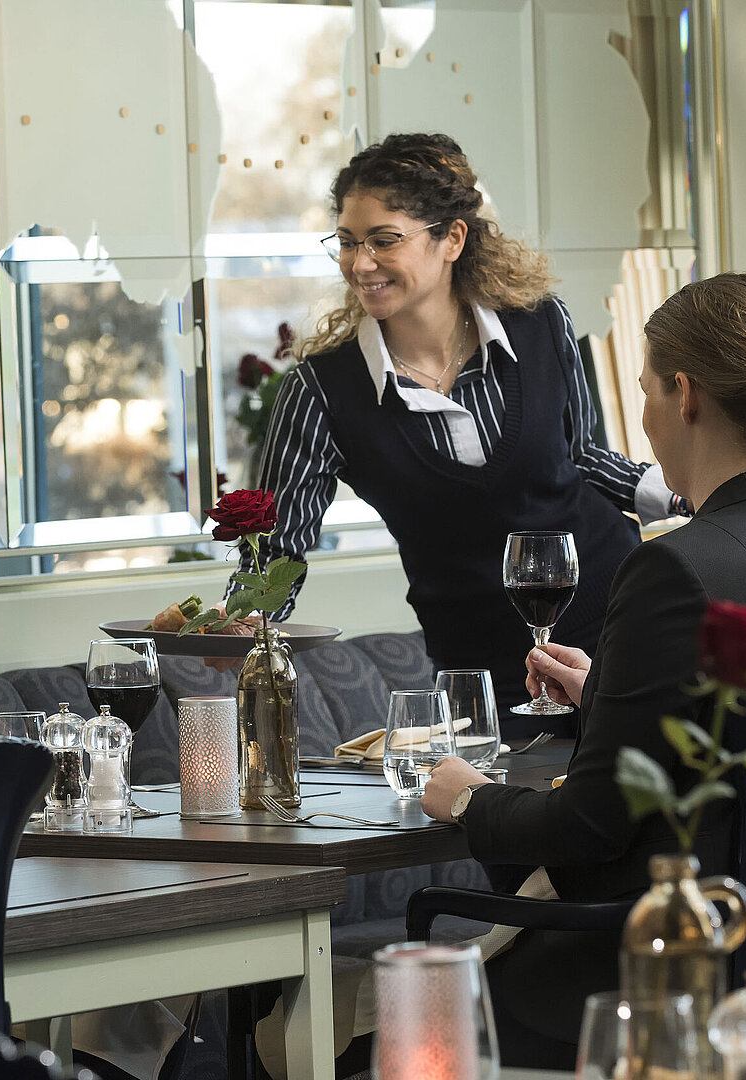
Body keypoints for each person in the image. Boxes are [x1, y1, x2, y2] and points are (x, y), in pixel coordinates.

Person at [418, 273, 746, 1066]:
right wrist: (603, 695)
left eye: (644, 390)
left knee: (358, 1027)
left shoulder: (671, 567)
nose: (643, 417)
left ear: (684, 395)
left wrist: (470, 799)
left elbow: (588, 827)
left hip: (654, 973)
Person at [229, 132, 683, 730]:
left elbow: (581, 456)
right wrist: (237, 621)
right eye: (347, 242)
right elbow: (277, 544)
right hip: (483, 674)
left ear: (452, 238)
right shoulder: (322, 392)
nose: (360, 263)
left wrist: (691, 497)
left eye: (384, 240)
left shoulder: (540, 325)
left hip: (619, 622)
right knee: (512, 814)